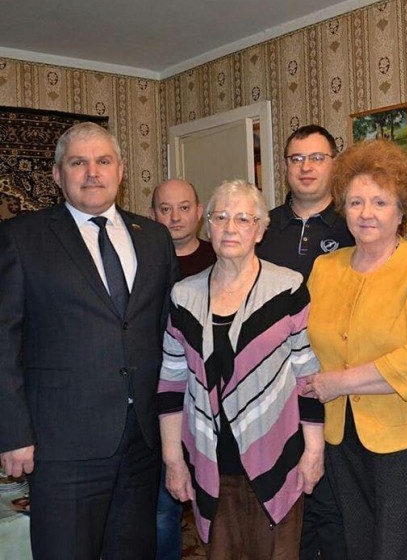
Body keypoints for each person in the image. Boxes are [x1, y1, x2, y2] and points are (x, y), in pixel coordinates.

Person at [0, 122, 179, 559]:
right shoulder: (21, 238)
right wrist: (12, 432)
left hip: (142, 442)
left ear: (121, 170)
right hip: (61, 445)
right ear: (57, 174)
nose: (92, 172)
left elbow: (169, 334)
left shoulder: (154, 238)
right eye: (78, 162)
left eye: (103, 161)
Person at [158, 179, 325, 558]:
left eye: (243, 219)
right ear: (208, 226)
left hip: (278, 458)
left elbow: (308, 377)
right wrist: (173, 459)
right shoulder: (183, 296)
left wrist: (314, 451)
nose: (230, 228)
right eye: (220, 217)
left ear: (260, 230)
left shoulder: (288, 288)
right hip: (210, 463)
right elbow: (171, 383)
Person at [304, 139, 407, 560]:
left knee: (396, 550)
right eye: (355, 202)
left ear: (401, 212)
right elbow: (303, 343)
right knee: (358, 545)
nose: (366, 213)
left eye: (380, 202)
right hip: (340, 435)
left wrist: (339, 382)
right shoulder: (325, 268)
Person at [256, 124, 353, 559]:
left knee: (331, 508)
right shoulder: (262, 227)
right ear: (285, 166)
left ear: (334, 164)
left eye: (316, 157)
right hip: (273, 389)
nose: (306, 167)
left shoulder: (354, 224)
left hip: (335, 385)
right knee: (283, 505)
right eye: (296, 158)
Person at [149, 178, 216, 560]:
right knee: (163, 509)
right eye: (165, 209)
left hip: (214, 402)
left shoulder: (220, 259)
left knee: (221, 504)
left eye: (184, 207)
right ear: (152, 214)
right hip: (163, 400)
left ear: (199, 211)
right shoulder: (140, 262)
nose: (175, 217)